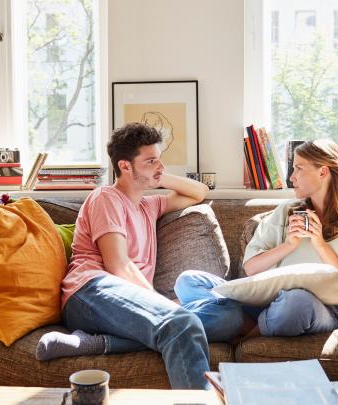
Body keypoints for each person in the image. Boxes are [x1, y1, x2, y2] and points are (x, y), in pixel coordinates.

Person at [35, 122, 211, 390]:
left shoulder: (150, 205)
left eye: (159, 159)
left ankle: (94, 343)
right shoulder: (105, 198)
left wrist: (156, 174)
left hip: (120, 300)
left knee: (222, 319)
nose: (159, 166)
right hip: (89, 292)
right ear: (125, 166)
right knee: (182, 325)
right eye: (150, 160)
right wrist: (162, 304)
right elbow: (118, 265)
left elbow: (200, 192)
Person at [174, 138, 338, 341]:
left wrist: (320, 244)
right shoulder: (286, 211)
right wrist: (288, 245)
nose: (292, 177)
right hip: (265, 301)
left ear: (322, 172)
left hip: (318, 307)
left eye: (298, 168)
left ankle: (236, 328)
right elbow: (251, 268)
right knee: (188, 280)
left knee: (295, 302)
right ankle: (237, 319)